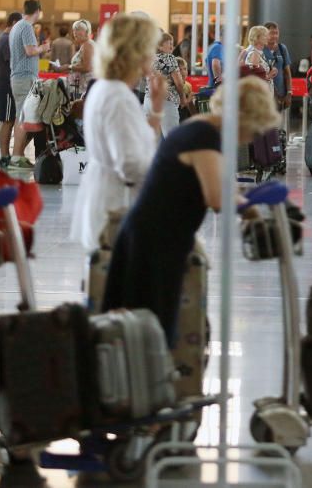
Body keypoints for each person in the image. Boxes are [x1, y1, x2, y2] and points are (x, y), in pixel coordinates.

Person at [104, 77, 279, 340]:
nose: (252, 138)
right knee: (150, 331)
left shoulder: (200, 126)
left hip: (152, 233)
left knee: (145, 329)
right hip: (156, 241)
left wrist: (248, 206)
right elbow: (217, 198)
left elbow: (222, 183)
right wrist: (249, 208)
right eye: (254, 131)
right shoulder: (204, 137)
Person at [70, 14, 167, 252]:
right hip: (118, 207)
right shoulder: (118, 97)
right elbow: (130, 164)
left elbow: (130, 142)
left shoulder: (108, 89)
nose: (154, 56)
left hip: (110, 198)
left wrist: (155, 111)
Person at [8, 0, 50, 171]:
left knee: (23, 117)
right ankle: (16, 157)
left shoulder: (17, 25)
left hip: (20, 77)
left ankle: (19, 155)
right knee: (23, 118)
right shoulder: (26, 26)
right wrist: (44, 47)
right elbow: (30, 51)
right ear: (38, 11)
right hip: (24, 78)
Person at [0, 11, 22, 168]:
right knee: (8, 121)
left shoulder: (5, 39)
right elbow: (13, 65)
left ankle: (7, 154)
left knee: (9, 120)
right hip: (8, 86)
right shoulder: (7, 41)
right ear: (14, 23)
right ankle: (4, 156)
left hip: (6, 85)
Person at [145, 32, 186, 138]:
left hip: (149, 100)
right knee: (172, 139)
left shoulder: (150, 58)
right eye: (168, 43)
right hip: (166, 101)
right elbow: (178, 83)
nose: (172, 46)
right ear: (159, 45)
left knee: (153, 140)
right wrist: (183, 98)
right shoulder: (170, 58)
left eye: (172, 43)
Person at [264, 21, 293, 113]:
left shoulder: (282, 48)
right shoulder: (260, 49)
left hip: (280, 94)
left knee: (276, 123)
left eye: (276, 33)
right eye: (271, 33)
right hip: (264, 94)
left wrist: (289, 92)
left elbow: (287, 72)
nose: (275, 36)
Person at [68, 19, 95, 100]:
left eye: (78, 29)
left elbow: (87, 67)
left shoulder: (88, 45)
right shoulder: (85, 45)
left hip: (85, 89)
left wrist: (69, 67)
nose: (75, 32)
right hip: (83, 88)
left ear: (87, 31)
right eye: (74, 30)